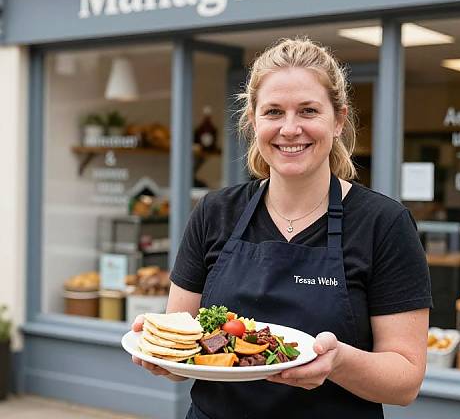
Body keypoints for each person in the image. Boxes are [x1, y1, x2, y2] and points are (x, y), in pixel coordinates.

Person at [131, 37, 432, 419]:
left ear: (338, 120)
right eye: (273, 112)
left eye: (308, 111)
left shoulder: (383, 224)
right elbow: (185, 345)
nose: (290, 129)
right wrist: (160, 354)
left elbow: (405, 381)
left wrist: (338, 362)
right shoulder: (214, 212)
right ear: (253, 120)